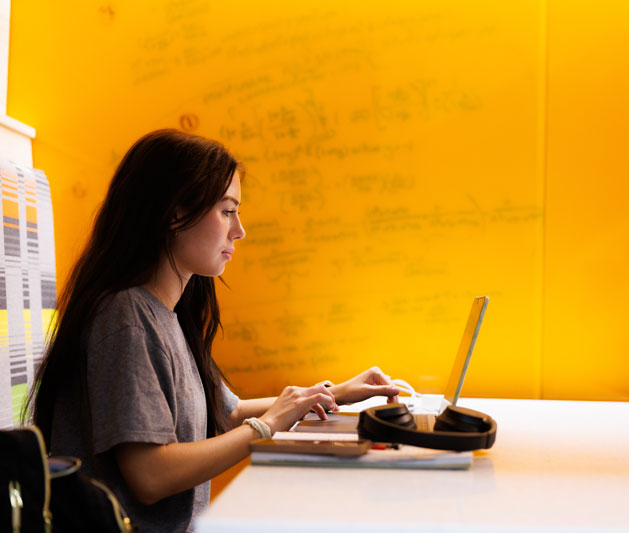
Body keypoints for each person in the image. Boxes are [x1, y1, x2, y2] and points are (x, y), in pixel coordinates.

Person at [26, 129, 400, 532]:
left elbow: (228, 412)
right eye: (227, 211)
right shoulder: (126, 318)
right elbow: (150, 476)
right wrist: (269, 425)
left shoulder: (166, 314)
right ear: (174, 213)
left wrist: (333, 394)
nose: (239, 230)